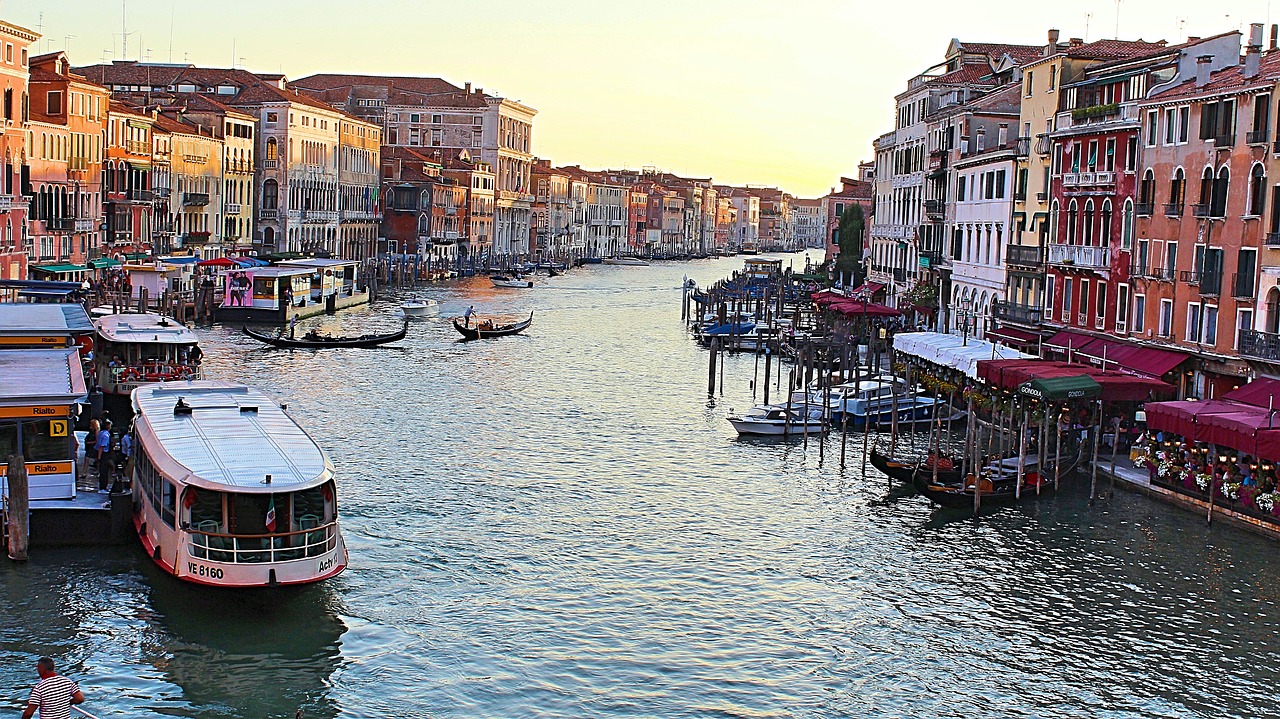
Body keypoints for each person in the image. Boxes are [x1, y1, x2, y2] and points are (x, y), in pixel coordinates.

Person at [96, 420, 112, 492]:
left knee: (103, 472)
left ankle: (102, 487)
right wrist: (99, 458)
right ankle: (103, 487)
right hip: (104, 455)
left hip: (102, 454)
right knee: (104, 472)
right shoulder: (105, 435)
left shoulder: (101, 433)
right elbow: (101, 447)